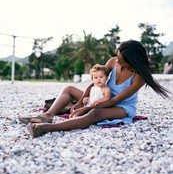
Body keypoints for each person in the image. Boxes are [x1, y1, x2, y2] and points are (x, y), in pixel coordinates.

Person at [22, 40, 171, 138]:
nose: (117, 61)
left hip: (121, 106)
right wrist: (80, 102)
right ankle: (48, 115)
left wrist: (86, 109)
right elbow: (95, 82)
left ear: (132, 61)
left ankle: (45, 128)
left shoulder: (139, 77)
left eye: (121, 60)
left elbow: (115, 100)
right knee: (69, 88)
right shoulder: (113, 62)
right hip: (99, 96)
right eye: (117, 57)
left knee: (95, 112)